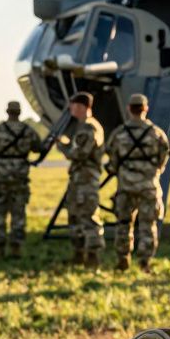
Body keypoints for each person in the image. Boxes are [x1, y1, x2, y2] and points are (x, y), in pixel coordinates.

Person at [104, 93, 170, 271]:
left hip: (125, 187)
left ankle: (123, 259)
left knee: (123, 224)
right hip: (149, 187)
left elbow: (112, 162)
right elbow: (163, 160)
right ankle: (144, 262)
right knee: (148, 225)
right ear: (145, 109)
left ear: (129, 109)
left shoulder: (119, 133)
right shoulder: (157, 133)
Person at [0, 100, 41, 257]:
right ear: (20, 112)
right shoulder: (28, 131)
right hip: (20, 177)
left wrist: (3, 163)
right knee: (18, 213)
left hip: (1, 177)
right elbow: (38, 148)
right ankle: (16, 248)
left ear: (7, 112)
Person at [56, 91, 105, 265]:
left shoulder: (89, 128)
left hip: (86, 180)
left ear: (82, 107)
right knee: (75, 216)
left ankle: (92, 257)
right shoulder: (83, 126)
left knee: (88, 217)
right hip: (79, 179)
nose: (70, 109)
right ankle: (78, 255)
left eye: (73, 105)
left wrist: (61, 145)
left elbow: (79, 153)